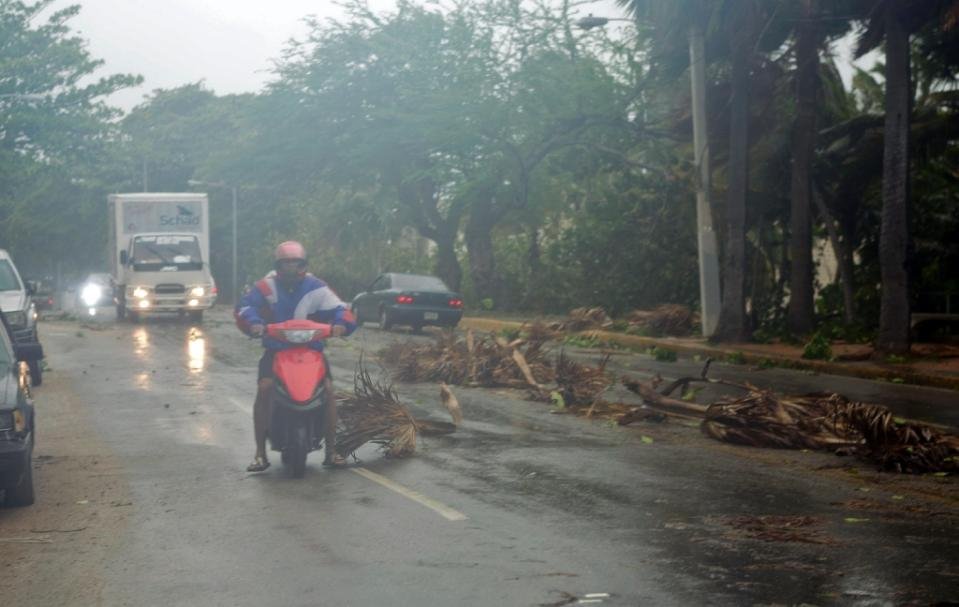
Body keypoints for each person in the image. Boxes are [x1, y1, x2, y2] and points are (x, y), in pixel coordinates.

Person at [235, 241, 356, 472]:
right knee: (265, 387)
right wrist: (254, 324)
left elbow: (342, 309)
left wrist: (341, 324)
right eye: (286, 263)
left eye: (295, 263)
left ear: (303, 264)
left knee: (329, 391)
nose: (291, 268)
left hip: (312, 352)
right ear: (278, 265)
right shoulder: (265, 287)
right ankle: (260, 453)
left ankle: (331, 451)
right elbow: (245, 307)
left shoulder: (317, 287)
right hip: (277, 350)